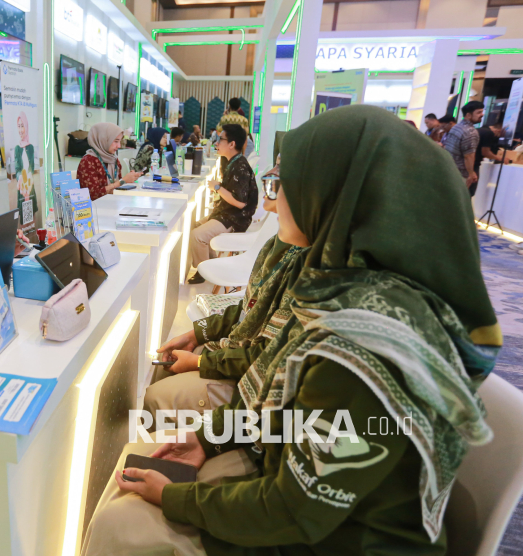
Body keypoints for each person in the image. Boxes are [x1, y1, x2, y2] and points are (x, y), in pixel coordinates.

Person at [82, 105, 502, 556]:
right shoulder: (339, 289)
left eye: (288, 186)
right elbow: (286, 411)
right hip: (295, 490)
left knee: (121, 529)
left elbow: (293, 509)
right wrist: (207, 437)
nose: (275, 199)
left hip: (334, 537)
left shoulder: (366, 345)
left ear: (340, 199)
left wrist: (173, 496)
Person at [145, 153, 306, 416]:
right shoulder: (281, 244)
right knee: (167, 366)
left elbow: (269, 360)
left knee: (156, 395)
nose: (267, 177)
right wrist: (196, 334)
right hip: (248, 364)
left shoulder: (309, 265)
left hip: (258, 402)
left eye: (278, 170)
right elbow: (249, 309)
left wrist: (201, 361)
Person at [187, 124, 258, 284]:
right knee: (196, 225)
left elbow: (240, 203)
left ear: (232, 144)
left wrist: (218, 187)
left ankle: (203, 272)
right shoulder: (234, 162)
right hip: (227, 213)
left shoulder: (239, 166)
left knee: (197, 235)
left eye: (221, 140)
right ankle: (211, 265)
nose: (217, 143)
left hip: (235, 218)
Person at [76, 122, 142, 201]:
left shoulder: (114, 159)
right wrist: (123, 181)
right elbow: (92, 195)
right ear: (103, 139)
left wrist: (129, 179)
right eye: (116, 141)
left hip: (113, 204)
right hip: (95, 209)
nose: (119, 146)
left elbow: (119, 187)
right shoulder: (88, 161)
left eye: (119, 141)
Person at [445, 101, 484, 195]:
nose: (482, 115)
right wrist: (471, 173)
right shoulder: (471, 132)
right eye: (478, 112)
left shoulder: (456, 127)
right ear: (468, 115)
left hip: (450, 169)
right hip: (461, 174)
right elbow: (468, 156)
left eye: (482, 112)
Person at [13, 111, 39, 227]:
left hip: (30, 185)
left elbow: (32, 168)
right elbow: (17, 169)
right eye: (18, 126)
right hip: (22, 185)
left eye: (22, 126)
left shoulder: (31, 148)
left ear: (26, 127)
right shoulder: (17, 149)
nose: (20, 130)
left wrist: (29, 176)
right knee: (23, 219)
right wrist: (21, 178)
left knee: (31, 216)